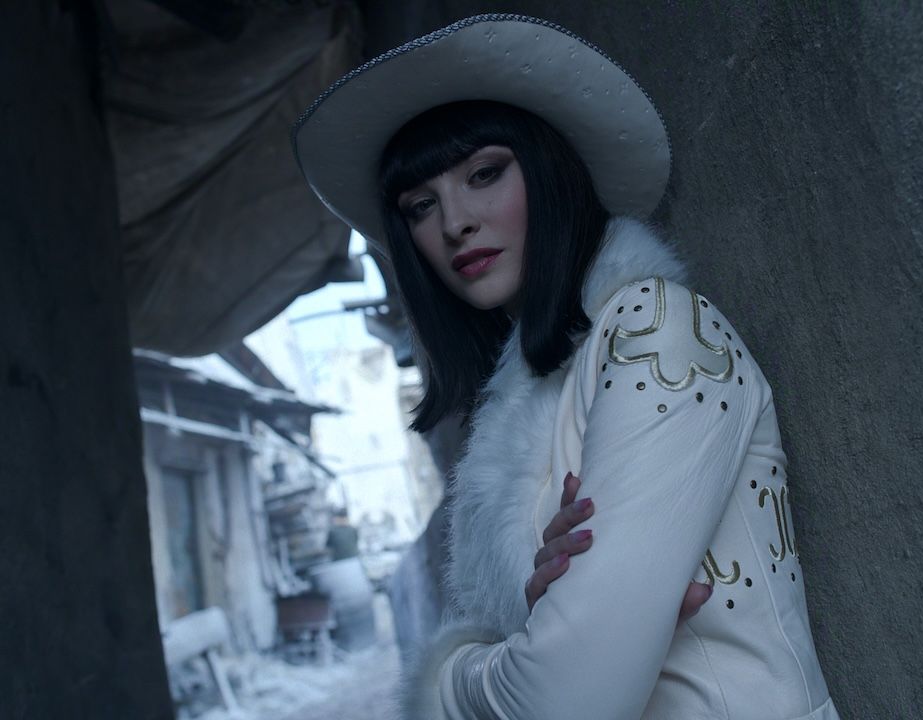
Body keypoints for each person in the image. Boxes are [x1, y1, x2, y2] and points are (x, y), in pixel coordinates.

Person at [292, 14, 838, 720]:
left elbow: (563, 702)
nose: (454, 223)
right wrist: (541, 625)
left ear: (548, 170)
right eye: (421, 206)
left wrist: (449, 675)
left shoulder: (658, 330)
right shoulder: (527, 400)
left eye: (484, 174)